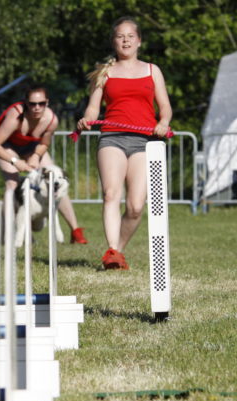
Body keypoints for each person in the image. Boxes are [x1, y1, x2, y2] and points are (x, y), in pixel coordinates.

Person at [77, 16, 172, 270]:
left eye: (131, 36)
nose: (126, 40)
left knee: (135, 206)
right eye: (120, 36)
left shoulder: (153, 71)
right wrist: (86, 120)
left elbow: (165, 108)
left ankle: (117, 251)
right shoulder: (104, 73)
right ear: (114, 41)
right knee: (111, 194)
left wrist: (163, 122)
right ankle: (112, 253)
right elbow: (93, 109)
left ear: (139, 41)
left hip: (144, 141)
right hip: (112, 138)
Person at [0, 86, 88, 244]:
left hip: (31, 146)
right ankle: (10, 232)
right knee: (12, 184)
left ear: (47, 103)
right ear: (26, 103)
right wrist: (16, 162)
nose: (37, 108)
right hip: (5, 145)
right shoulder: (15, 116)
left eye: (41, 103)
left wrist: (35, 156)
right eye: (32, 104)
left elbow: (44, 143)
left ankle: (75, 231)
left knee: (57, 181)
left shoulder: (51, 120)